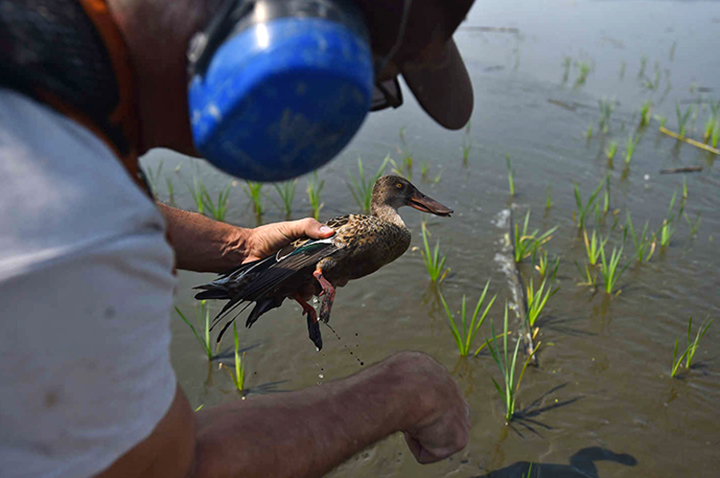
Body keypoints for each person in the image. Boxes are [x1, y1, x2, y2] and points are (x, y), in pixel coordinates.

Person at [0, 0, 476, 477]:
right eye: (343, 66)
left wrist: (241, 246)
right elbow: (179, 471)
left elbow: (95, 203)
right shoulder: (50, 219)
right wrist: (400, 392)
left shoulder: (46, 91)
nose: (326, 115)